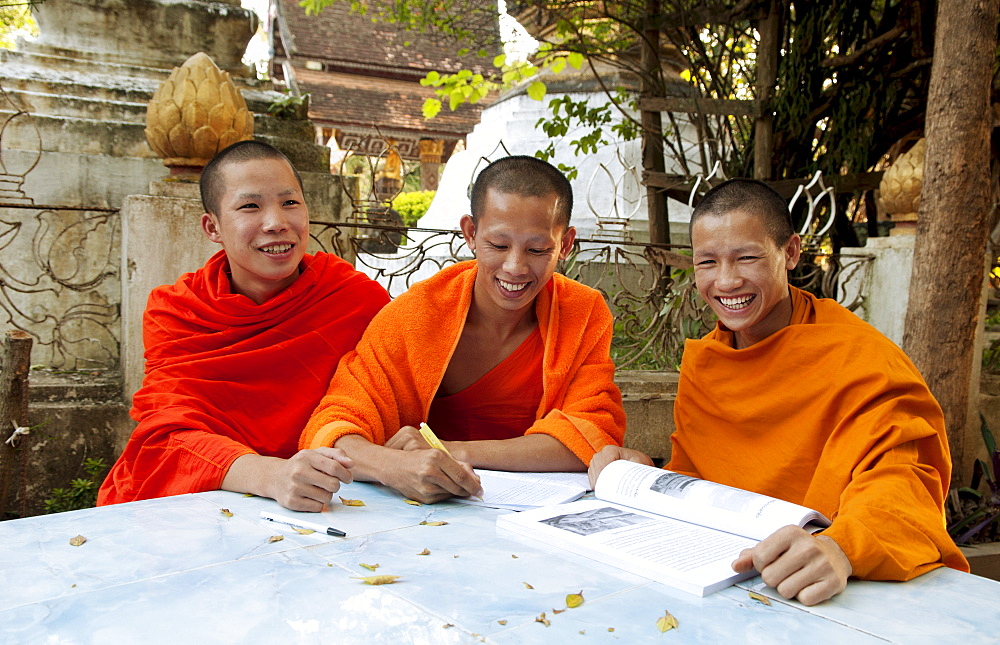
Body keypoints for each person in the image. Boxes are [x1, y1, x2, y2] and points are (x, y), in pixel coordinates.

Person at [589, 178, 969, 606]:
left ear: (790, 252)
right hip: (723, 577)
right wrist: (647, 475)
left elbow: (902, 477)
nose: (726, 281)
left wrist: (841, 547)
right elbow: (701, 479)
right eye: (707, 263)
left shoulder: (858, 358)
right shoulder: (710, 359)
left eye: (746, 258)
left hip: (825, 581)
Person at [300, 156, 626, 503]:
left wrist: (449, 451)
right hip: (420, 510)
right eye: (498, 246)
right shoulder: (418, 314)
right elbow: (332, 426)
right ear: (470, 233)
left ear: (565, 244)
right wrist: (391, 465)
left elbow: (590, 436)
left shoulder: (581, 312)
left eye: (537, 249)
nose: (515, 267)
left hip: (536, 513)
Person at [98, 140, 390, 511]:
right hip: (206, 498)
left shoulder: (354, 299)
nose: (277, 223)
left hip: (333, 498)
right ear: (213, 227)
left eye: (290, 203)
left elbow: (396, 400)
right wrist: (271, 476)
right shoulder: (178, 311)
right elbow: (167, 436)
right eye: (250, 206)